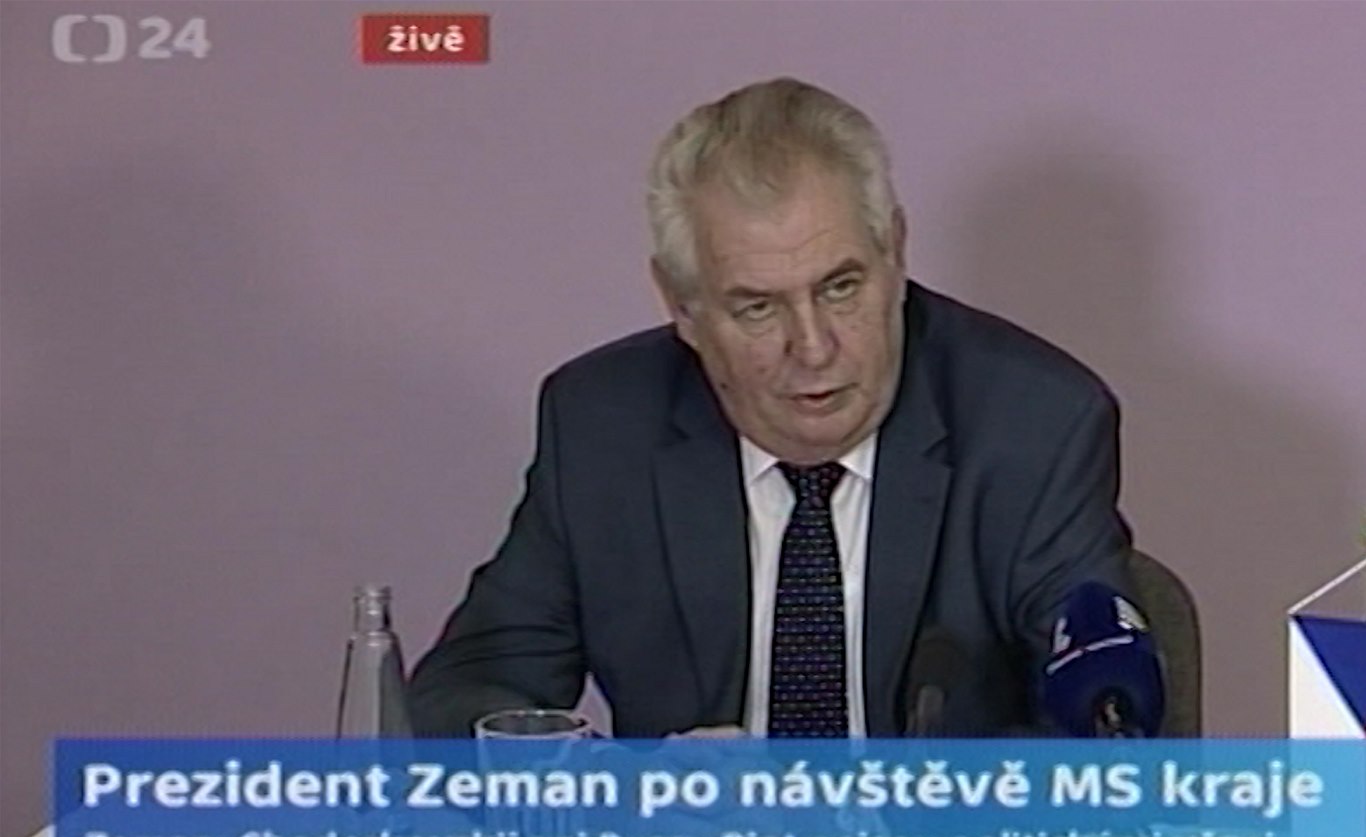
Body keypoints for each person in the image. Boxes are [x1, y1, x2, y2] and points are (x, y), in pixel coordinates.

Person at [408, 77, 1136, 739]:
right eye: (758, 307)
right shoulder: (603, 427)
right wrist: (627, 788)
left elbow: (1098, 737)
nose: (813, 348)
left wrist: (914, 812)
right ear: (683, 307)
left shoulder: (1033, 424)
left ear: (894, 252)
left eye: (841, 288)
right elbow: (467, 687)